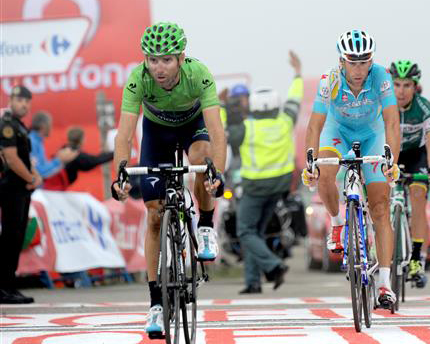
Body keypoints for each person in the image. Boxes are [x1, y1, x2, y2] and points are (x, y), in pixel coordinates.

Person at [111, 22, 226, 338]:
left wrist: (218, 172)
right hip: (157, 135)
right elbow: (124, 134)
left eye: (166, 60)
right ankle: (156, 304)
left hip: (194, 127)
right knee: (154, 216)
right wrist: (119, 174)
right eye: (152, 60)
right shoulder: (138, 79)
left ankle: (204, 224)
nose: (158, 68)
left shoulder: (198, 73)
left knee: (203, 159)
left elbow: (217, 131)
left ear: (181, 58)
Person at [302, 30, 401, 308]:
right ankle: (337, 223)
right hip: (337, 132)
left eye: (364, 62)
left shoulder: (381, 76)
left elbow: (392, 123)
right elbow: (315, 124)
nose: (358, 69)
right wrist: (310, 162)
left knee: (380, 207)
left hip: (372, 135)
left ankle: (384, 283)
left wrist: (392, 160)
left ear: (371, 61)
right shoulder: (329, 79)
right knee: (324, 174)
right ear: (341, 61)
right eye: (352, 62)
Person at [227, 50, 303, 294]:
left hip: (254, 188)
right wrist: (298, 74)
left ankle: (274, 266)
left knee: (245, 231)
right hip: (279, 187)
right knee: (256, 232)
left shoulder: (246, 128)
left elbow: (224, 128)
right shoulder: (285, 121)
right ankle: (253, 282)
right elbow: (295, 100)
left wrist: (220, 104)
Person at [389, 60, 430, 288]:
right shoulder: (384, 106)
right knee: (377, 195)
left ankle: (417, 260)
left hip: (416, 156)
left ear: (415, 87)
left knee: (418, 197)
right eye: (397, 85)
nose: (401, 91)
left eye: (406, 86)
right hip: (391, 153)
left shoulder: (424, 107)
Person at [0, 85, 41, 304]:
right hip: (10, 189)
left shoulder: (20, 126)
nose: (24, 104)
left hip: (21, 190)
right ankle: (3, 288)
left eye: (27, 101)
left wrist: (34, 175)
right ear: (11, 100)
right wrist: (30, 178)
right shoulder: (6, 124)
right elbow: (11, 158)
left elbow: (25, 158)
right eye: (20, 100)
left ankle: (9, 286)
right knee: (9, 238)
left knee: (16, 238)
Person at [43, 127, 114, 190]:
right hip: (52, 189)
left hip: (49, 187)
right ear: (82, 140)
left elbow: (93, 159)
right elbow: (95, 161)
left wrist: (106, 153)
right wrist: (115, 152)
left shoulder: (65, 149)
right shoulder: (74, 154)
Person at [29, 111, 79, 180]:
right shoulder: (32, 142)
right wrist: (59, 160)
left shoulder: (38, 141)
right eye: (50, 125)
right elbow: (39, 172)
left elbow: (42, 168)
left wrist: (61, 161)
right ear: (44, 126)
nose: (51, 128)